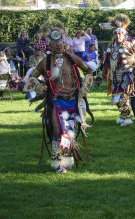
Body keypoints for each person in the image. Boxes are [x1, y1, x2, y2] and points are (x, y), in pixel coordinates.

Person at [23, 19, 96, 173]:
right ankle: (59, 163)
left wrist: (85, 87)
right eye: (54, 43)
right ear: (49, 46)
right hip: (56, 101)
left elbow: (89, 71)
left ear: (65, 43)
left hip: (72, 100)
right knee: (57, 129)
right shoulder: (45, 62)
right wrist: (39, 86)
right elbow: (32, 78)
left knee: (69, 130)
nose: (57, 45)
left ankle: (67, 159)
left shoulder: (72, 58)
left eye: (60, 42)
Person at [102, 14, 135, 126]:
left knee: (123, 96)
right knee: (116, 97)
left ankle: (127, 117)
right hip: (113, 75)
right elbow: (106, 60)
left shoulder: (128, 45)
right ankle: (123, 115)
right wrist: (105, 71)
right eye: (116, 33)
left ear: (124, 35)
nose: (118, 35)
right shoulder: (111, 45)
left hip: (126, 75)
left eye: (120, 33)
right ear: (114, 34)